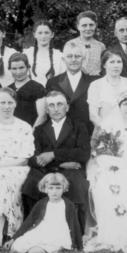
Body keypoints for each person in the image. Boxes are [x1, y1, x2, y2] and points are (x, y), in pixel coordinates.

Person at [84, 91, 127, 253]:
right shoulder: (108, 123)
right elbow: (99, 150)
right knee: (103, 189)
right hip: (112, 165)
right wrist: (112, 162)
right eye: (125, 104)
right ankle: (110, 236)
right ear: (119, 107)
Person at [22, 91, 90, 231]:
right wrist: (60, 163)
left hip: (71, 170)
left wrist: (53, 154)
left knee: (78, 183)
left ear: (67, 107)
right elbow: (33, 158)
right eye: (51, 105)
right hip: (45, 170)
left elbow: (83, 154)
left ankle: (76, 232)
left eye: (60, 104)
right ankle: (33, 229)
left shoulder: (79, 127)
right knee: (31, 182)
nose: (56, 108)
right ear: (46, 109)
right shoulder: (39, 130)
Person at [0, 88, 34, 250]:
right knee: (0, 179)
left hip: (17, 169)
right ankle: (6, 234)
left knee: (3, 177)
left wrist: (2, 166)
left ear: (16, 104)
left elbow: (24, 159)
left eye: (10, 102)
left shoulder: (24, 127)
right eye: (2, 102)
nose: (6, 106)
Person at [5, 173, 83, 253]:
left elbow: (76, 226)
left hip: (58, 236)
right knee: (15, 248)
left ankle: (45, 251)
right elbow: (28, 222)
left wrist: (80, 247)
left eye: (58, 188)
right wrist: (13, 239)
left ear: (64, 188)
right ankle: (34, 250)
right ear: (45, 189)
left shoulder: (69, 205)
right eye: (51, 188)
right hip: (41, 232)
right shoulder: (41, 204)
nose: (54, 191)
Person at [45, 41, 98, 135]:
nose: (73, 60)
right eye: (69, 56)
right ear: (63, 59)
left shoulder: (93, 82)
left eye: (77, 56)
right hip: (61, 133)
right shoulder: (53, 82)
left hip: (86, 133)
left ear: (84, 59)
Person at [87, 49, 127, 128]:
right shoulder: (95, 85)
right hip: (104, 133)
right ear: (104, 65)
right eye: (112, 62)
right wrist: (109, 134)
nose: (116, 66)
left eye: (119, 62)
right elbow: (93, 116)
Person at [7, 53, 47, 128]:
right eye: (14, 69)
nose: (18, 72)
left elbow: (42, 116)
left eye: (21, 68)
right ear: (10, 69)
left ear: (28, 67)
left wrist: (29, 134)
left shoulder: (38, 88)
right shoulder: (8, 89)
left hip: (31, 132)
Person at [22, 20, 65, 87]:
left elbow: (63, 79)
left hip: (54, 94)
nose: (43, 36)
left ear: (52, 34)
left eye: (46, 33)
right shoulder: (27, 54)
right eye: (40, 33)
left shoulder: (60, 56)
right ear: (34, 34)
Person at [64, 11, 106, 76]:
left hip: (96, 81)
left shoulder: (101, 46)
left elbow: (104, 68)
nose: (88, 28)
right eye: (84, 25)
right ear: (78, 26)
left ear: (96, 25)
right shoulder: (70, 44)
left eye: (91, 25)